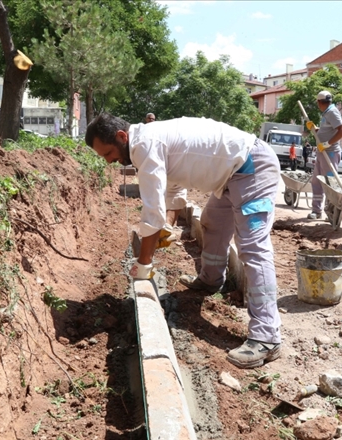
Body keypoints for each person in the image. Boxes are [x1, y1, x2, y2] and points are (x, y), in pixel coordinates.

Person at [85, 113, 282, 369]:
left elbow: (151, 211)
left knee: (253, 248)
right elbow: (172, 188)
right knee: (211, 222)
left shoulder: (143, 145)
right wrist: (167, 223)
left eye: (108, 153)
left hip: (251, 166)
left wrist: (143, 264)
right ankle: (211, 280)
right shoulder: (150, 139)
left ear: (122, 136)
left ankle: (267, 337)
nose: (110, 161)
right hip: (230, 174)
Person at [305, 91, 342, 219]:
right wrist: (315, 128)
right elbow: (328, 129)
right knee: (317, 181)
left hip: (330, 153)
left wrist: (328, 144)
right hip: (322, 152)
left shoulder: (332, 112)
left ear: (319, 102)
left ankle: (331, 213)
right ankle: (316, 210)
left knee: (329, 184)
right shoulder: (327, 113)